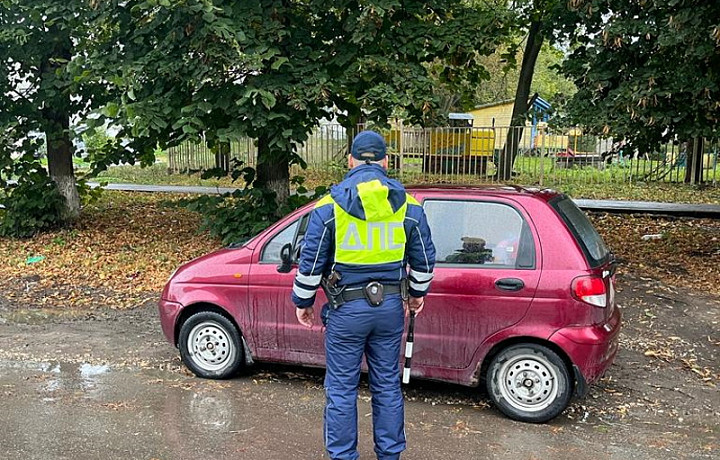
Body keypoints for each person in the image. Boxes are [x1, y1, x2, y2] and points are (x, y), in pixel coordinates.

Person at [291, 130, 436, 460]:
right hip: (388, 311)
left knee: (342, 388)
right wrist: (416, 295)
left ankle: (344, 456)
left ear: (350, 161)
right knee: (386, 385)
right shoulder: (409, 207)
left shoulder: (329, 207)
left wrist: (303, 302)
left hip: (346, 310)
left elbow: (310, 263)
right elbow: (425, 260)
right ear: (386, 162)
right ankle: (390, 455)